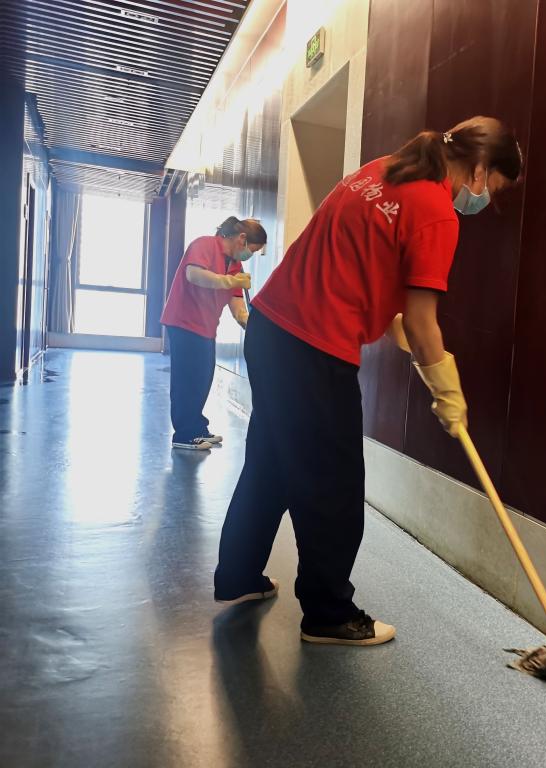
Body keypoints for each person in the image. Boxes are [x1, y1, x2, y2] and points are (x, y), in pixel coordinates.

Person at [213, 116, 523, 646]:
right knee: (334, 486)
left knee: (270, 461)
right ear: (478, 170)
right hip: (314, 350)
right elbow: (423, 322)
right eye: (492, 188)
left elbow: (358, 267)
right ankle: (328, 615)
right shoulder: (437, 211)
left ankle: (238, 576)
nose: (484, 200)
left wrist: (389, 322)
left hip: (271, 330)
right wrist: (448, 392)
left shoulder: (381, 171)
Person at [161, 216, 267, 451]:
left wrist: (250, 325)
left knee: (203, 378)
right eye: (252, 250)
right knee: (187, 379)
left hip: (206, 328)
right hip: (184, 321)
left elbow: (237, 304)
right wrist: (229, 281)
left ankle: (197, 428)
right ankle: (184, 434)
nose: (250, 255)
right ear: (242, 238)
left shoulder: (235, 265)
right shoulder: (205, 244)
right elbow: (194, 275)